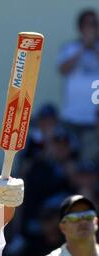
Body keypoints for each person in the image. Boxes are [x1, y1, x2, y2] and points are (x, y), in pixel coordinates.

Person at [57, 10, 99, 160]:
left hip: (94, 119)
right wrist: (82, 48)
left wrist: (93, 48)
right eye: (87, 24)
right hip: (71, 116)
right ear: (80, 28)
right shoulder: (69, 48)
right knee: (68, 159)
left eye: (94, 24)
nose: (91, 28)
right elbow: (63, 69)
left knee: (88, 162)